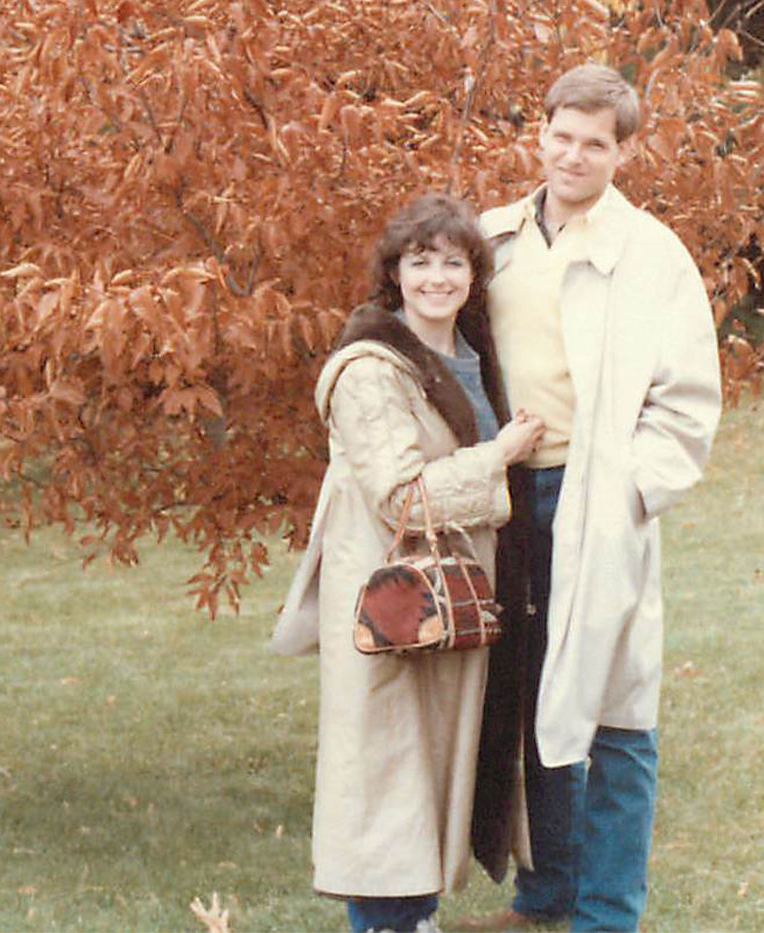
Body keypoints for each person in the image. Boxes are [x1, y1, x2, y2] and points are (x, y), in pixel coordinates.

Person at [463, 64, 724, 932]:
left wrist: (629, 491)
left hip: (595, 497)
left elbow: (687, 401)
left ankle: (606, 914)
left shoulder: (651, 255)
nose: (573, 156)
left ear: (625, 151)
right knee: (530, 696)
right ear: (539, 135)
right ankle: (544, 896)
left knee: (616, 707)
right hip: (508, 498)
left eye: (595, 144)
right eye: (561, 137)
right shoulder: (492, 239)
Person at [273, 193, 545, 933]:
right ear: (394, 273)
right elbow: (401, 497)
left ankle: (413, 918)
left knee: (427, 777)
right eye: (420, 261)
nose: (437, 277)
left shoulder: (471, 354)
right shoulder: (369, 368)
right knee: (390, 776)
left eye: (453, 262)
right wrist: (501, 456)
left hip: (458, 601)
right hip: (396, 607)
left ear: (473, 273)